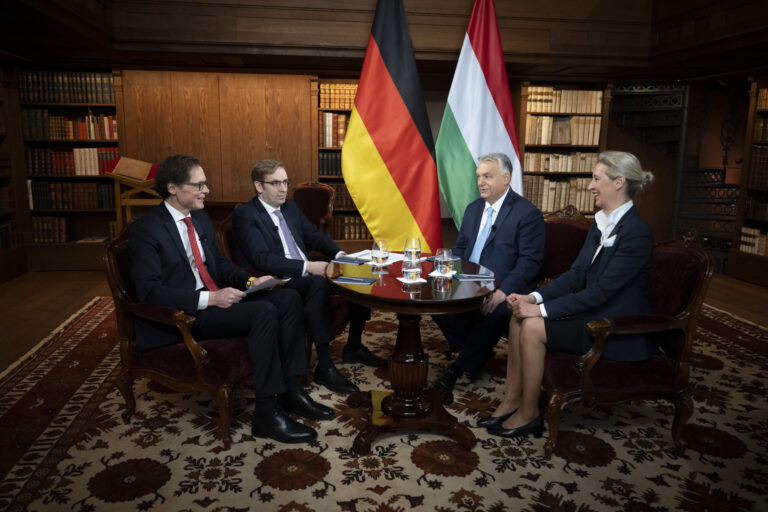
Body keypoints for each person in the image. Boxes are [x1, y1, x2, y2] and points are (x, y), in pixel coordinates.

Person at [130, 154, 334, 445]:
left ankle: (292, 391)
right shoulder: (146, 229)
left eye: (205, 183)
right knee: (263, 311)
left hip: (218, 298)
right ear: (173, 188)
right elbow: (148, 291)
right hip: (189, 313)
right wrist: (210, 299)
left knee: (286, 297)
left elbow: (221, 265)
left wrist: (252, 281)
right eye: (198, 184)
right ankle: (266, 414)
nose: (206, 190)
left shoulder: (198, 217)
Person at [482, 150, 656, 439]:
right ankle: (512, 399)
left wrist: (541, 312)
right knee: (517, 317)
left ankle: (529, 413)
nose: (590, 185)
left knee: (534, 325)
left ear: (618, 182)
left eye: (596, 178)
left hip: (616, 328)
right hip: (593, 311)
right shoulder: (600, 222)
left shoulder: (637, 232)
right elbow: (575, 276)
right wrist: (532, 298)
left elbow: (601, 291)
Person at [232, 159, 385, 395]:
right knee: (318, 280)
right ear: (259, 186)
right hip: (276, 279)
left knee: (356, 276)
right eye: (275, 183)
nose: (283, 188)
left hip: (304, 271)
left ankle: (354, 346)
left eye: (285, 182)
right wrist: (307, 266)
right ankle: (325, 365)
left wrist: (342, 256)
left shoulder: (291, 208)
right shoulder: (246, 214)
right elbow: (261, 258)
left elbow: (315, 237)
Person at [432, 153, 545, 391]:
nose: (481, 182)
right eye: (478, 177)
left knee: (498, 312)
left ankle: (458, 367)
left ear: (506, 178)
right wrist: (447, 271)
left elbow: (529, 263)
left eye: (487, 176)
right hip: (468, 280)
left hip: (504, 286)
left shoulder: (527, 214)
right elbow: (461, 248)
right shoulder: (473, 209)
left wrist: (503, 291)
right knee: (435, 298)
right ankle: (474, 350)